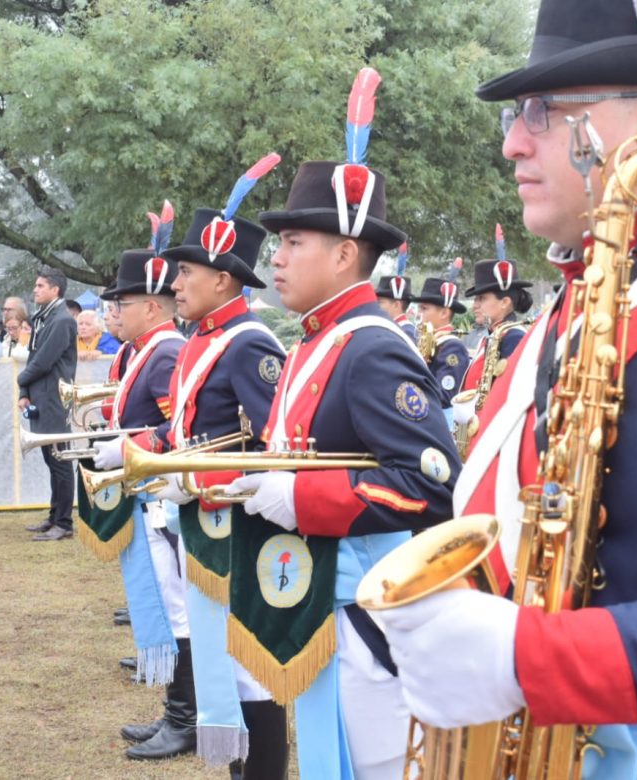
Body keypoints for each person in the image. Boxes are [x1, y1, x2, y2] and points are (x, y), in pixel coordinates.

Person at [376, 2, 637, 777]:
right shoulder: (598, 283)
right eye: (516, 114)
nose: (513, 141)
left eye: (543, 110)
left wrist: (532, 659)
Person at [219, 70, 460, 780]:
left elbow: (429, 485)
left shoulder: (371, 346)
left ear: (345, 254)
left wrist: (301, 499)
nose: (276, 258)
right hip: (320, 593)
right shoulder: (315, 341)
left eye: (293, 242)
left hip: (368, 612)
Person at [149, 189, 290, 774]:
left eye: (186, 273)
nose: (176, 284)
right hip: (205, 521)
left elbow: (277, 449)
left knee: (250, 668)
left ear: (224, 280)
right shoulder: (202, 338)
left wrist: (199, 476)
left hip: (239, 526)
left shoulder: (249, 342)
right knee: (221, 660)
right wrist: (149, 450)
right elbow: (190, 429)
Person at [85, 237, 189, 758]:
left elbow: (180, 431)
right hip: (148, 492)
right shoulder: (150, 348)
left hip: (162, 495)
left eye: (120, 303)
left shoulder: (165, 351)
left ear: (151, 306)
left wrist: (130, 447)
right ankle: (177, 711)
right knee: (168, 605)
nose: (113, 313)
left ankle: (185, 718)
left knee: (176, 608)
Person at [18, 270, 77, 540]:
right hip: (42, 397)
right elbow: (34, 357)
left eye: (40, 285)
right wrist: (25, 391)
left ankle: (64, 523)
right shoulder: (45, 317)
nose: (35, 289)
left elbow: (43, 361)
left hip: (55, 399)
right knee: (51, 461)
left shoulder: (62, 320)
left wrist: (21, 380)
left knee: (60, 461)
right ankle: (55, 516)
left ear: (55, 290)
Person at [457, 258, 532, 394]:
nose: (475, 306)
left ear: (504, 302)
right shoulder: (493, 335)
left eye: (482, 298)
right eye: (475, 299)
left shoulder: (513, 338)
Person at [412, 276, 469, 411]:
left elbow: (444, 396)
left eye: (424, 308)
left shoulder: (452, 347)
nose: (419, 314)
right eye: (419, 308)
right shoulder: (427, 340)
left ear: (444, 313)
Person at [374, 273, 417, 341]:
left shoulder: (406, 332)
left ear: (396, 305)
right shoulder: (389, 328)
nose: (376, 305)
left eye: (380, 302)